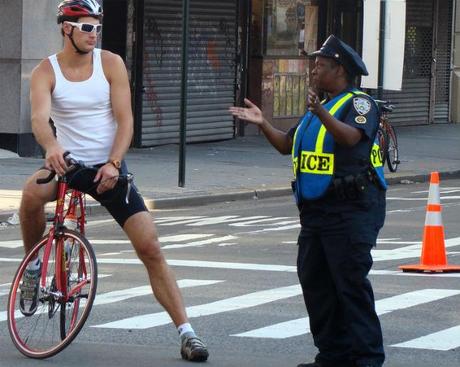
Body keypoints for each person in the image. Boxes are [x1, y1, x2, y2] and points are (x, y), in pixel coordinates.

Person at [18, 0, 208, 362]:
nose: (94, 34)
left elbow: (126, 121)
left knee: (150, 246)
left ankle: (187, 333)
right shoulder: (47, 70)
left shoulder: (111, 64)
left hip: (107, 169)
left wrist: (115, 163)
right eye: (87, 27)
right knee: (30, 195)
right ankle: (34, 264)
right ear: (66, 28)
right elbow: (40, 118)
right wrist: (51, 145)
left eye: (97, 27)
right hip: (68, 166)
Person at [230, 34, 386, 367]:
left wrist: (320, 112)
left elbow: (351, 140)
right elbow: (287, 145)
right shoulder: (320, 107)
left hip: (351, 209)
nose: (313, 71)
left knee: (350, 285)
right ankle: (332, 355)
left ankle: (367, 359)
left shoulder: (359, 104)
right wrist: (263, 123)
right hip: (316, 212)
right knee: (316, 282)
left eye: (320, 65)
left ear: (339, 69)